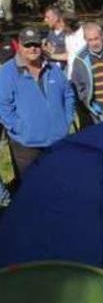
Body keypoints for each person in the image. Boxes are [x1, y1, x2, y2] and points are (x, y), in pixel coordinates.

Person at [0, 27, 75, 187]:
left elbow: (68, 94)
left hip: (57, 140)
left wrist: (66, 120)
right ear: (19, 46)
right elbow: (3, 107)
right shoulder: (7, 73)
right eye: (28, 45)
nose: (33, 48)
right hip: (27, 145)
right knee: (34, 189)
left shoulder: (53, 69)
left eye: (36, 44)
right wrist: (20, 129)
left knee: (62, 185)